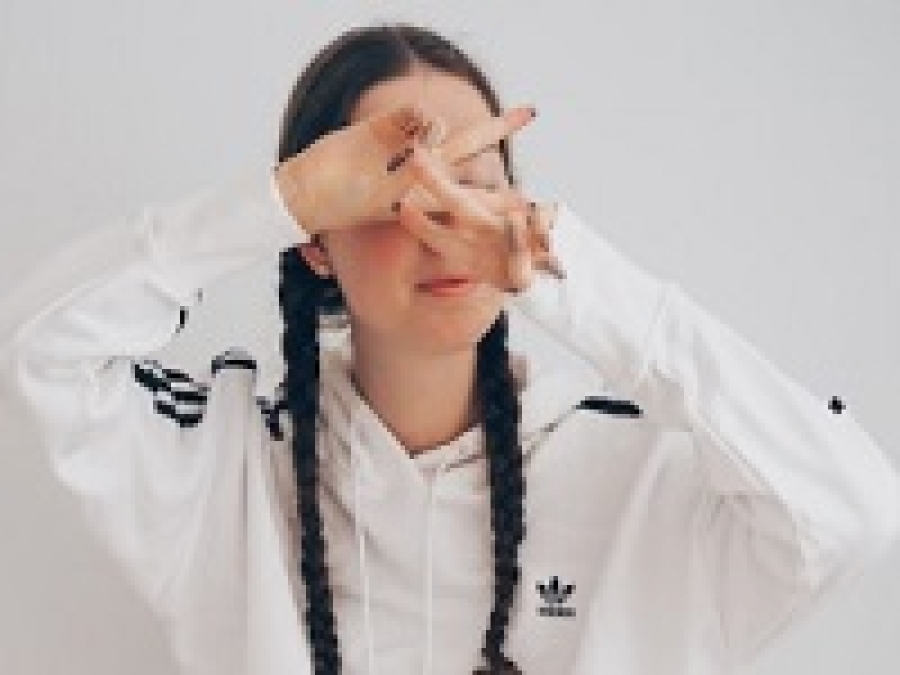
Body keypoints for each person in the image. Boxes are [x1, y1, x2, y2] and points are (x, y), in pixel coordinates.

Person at [1, 20, 898, 675]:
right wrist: (278, 200)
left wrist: (567, 270)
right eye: (393, 194)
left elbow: (851, 511)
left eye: (475, 189)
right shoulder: (225, 462)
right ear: (315, 240)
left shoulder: (640, 470)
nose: (443, 231)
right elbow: (44, 351)